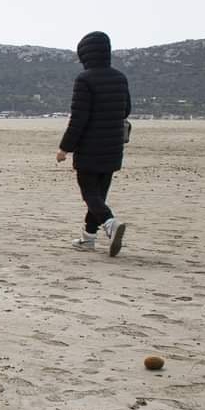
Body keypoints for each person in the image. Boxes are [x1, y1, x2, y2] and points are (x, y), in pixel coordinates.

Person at [57, 31, 131, 256]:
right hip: (113, 147)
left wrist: (65, 148)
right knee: (99, 193)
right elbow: (126, 110)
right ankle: (88, 238)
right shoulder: (120, 77)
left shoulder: (84, 79)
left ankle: (110, 222)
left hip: (89, 148)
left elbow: (79, 118)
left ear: (85, 54)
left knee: (90, 194)